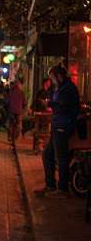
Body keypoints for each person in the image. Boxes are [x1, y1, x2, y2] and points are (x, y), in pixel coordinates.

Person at [34, 64, 79, 198]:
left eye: (53, 78)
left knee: (61, 158)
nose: (52, 81)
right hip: (57, 126)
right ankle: (50, 185)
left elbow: (63, 108)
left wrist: (50, 104)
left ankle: (63, 188)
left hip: (63, 127)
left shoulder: (67, 89)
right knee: (47, 155)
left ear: (59, 76)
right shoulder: (61, 88)